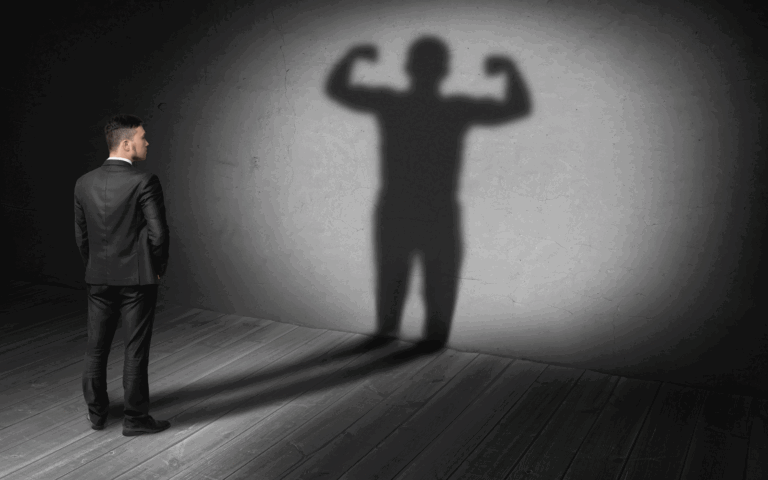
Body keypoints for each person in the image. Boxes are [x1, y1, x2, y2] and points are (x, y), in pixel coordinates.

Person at [326, 36, 530, 350]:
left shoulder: (399, 104)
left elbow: (338, 89)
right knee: (425, 283)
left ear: (409, 67)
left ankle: (399, 339)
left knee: (403, 280)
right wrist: (509, 69)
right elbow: (517, 106)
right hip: (428, 209)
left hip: (408, 207)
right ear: (444, 70)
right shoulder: (450, 109)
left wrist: (352, 56)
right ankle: (413, 342)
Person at [74, 113, 171, 436]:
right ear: (127, 143)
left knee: (95, 348)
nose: (147, 142)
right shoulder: (144, 181)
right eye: (143, 137)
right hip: (137, 279)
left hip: (98, 277)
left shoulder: (83, 182)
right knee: (135, 350)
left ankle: (97, 415)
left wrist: (95, 267)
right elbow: (158, 235)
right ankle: (135, 419)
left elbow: (82, 237)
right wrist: (156, 269)